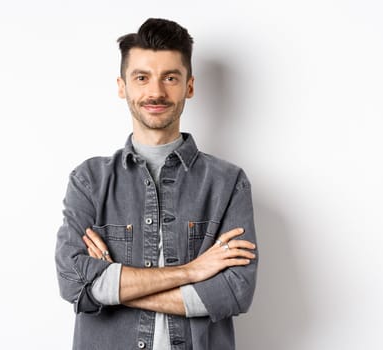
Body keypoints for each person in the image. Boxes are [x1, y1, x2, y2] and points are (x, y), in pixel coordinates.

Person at [54, 18, 258, 350]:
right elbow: (72, 282)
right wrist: (192, 272)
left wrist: (112, 287)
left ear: (189, 86)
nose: (156, 92)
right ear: (122, 86)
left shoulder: (229, 184)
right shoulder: (88, 181)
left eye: (170, 78)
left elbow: (235, 292)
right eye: (142, 77)